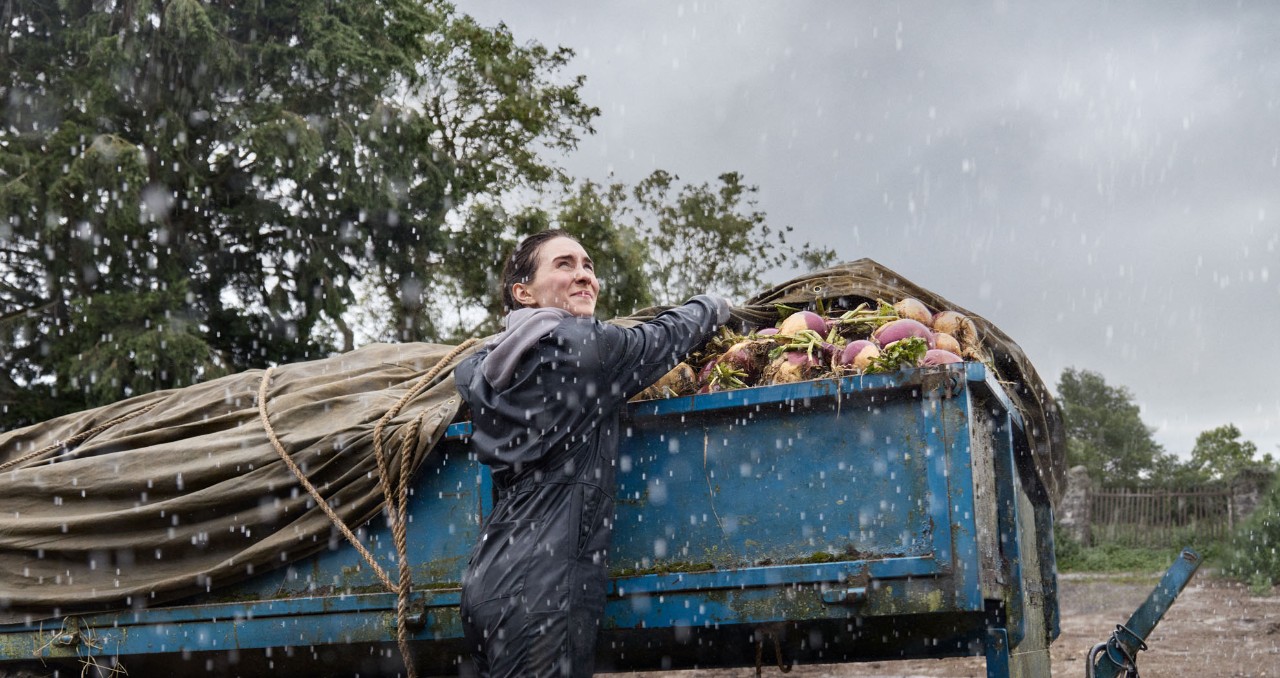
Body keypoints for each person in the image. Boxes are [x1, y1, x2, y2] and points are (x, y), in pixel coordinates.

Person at [454, 229, 730, 677]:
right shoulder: (581, 346)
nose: (584, 276)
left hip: (490, 581)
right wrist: (715, 305)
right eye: (564, 265)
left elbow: (466, 371)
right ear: (522, 292)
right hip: (543, 594)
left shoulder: (482, 369)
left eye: (588, 266)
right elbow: (664, 337)